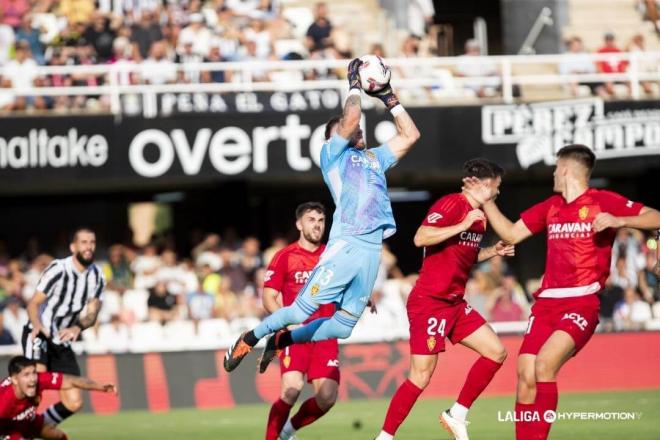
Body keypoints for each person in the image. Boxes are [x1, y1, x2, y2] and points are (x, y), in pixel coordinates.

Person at [224, 57, 420, 373]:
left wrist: (388, 96)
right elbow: (352, 115)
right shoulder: (332, 156)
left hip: (372, 250)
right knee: (300, 311)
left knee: (342, 327)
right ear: (335, 138)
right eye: (348, 128)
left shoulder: (375, 158)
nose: (357, 129)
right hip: (347, 243)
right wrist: (354, 82)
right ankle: (249, 337)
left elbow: (411, 135)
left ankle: (282, 341)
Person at [462, 144, 660, 439]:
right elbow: (512, 233)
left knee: (544, 365)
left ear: (566, 170)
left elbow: (655, 216)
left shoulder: (603, 201)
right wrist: (486, 200)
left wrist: (621, 220)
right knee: (525, 375)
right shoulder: (550, 206)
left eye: (556, 168)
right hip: (546, 306)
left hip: (581, 303)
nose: (554, 173)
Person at [375, 159, 514, 440]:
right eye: (496, 186)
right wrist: (462, 222)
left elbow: (465, 255)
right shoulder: (452, 204)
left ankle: (457, 415)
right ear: (486, 184)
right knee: (421, 376)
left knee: (496, 352)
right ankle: (384, 437)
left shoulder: (479, 216)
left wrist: (493, 251)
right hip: (430, 301)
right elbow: (421, 237)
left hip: (454, 303)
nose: (498, 192)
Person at [263, 202, 339, 440]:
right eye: (311, 220)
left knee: (327, 398)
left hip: (325, 332)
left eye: (321, 220)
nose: (317, 225)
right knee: (291, 389)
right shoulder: (285, 256)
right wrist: (287, 322)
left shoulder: (333, 255)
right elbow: (268, 297)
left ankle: (288, 431)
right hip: (295, 335)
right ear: (299, 224)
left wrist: (362, 297)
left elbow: (347, 285)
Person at [22, 227, 105, 428]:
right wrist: (39, 327)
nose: (89, 247)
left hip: (62, 339)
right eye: (84, 242)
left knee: (74, 402)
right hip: (39, 332)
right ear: (73, 246)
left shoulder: (98, 276)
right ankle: (12, 430)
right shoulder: (58, 269)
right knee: (35, 386)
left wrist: (78, 327)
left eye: (92, 242)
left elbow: (92, 313)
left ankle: (38, 428)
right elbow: (33, 304)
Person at [0, 356, 117, 440]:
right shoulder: (4, 400)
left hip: (27, 421)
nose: (32, 379)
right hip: (5, 428)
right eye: (26, 375)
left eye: (34, 373)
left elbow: (71, 381)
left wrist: (101, 387)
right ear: (14, 379)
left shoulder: (40, 379)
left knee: (59, 436)